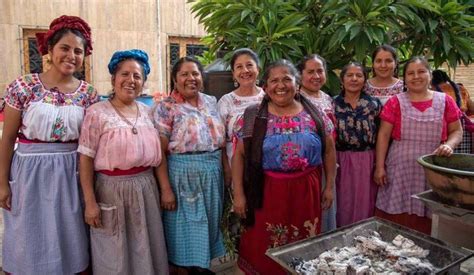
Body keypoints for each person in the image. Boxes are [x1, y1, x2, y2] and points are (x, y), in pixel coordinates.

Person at [0, 15, 97, 274]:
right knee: (29, 232)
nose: (71, 56)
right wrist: (2, 184)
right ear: (50, 50)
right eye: (64, 48)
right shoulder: (23, 86)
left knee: (69, 232)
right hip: (29, 173)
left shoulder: (89, 94)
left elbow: (91, 144)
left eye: (78, 51)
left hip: (71, 172)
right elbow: (8, 138)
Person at [232, 59, 336, 274]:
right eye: (274, 80)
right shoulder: (252, 116)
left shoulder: (315, 114)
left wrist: (329, 187)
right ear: (266, 87)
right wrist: (239, 195)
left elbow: (329, 151)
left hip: (306, 191)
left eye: (287, 79)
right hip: (266, 192)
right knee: (264, 242)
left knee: (303, 242)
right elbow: (239, 156)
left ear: (297, 85)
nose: (281, 85)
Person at [78, 49, 169, 274]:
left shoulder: (149, 112)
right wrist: (90, 202)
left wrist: (165, 189)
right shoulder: (97, 113)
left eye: (137, 76)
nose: (131, 81)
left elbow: (158, 157)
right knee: (113, 251)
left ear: (143, 82)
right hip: (110, 190)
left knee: (147, 247)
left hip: (146, 188)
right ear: (113, 79)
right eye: (125, 75)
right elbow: (85, 158)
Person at [152, 56, 226, 273]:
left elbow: (220, 142)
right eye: (184, 74)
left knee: (209, 226)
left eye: (195, 73)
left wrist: (227, 171)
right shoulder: (167, 107)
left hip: (212, 173)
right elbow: (160, 151)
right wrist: (165, 189)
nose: (190, 78)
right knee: (185, 230)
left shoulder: (211, 101)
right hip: (181, 176)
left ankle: (203, 269)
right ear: (175, 79)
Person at [374, 57, 463, 235]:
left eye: (421, 71)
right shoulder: (395, 102)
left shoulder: (445, 101)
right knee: (396, 221)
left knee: (430, 219)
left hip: (432, 171)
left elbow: (457, 131)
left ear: (430, 75)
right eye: (410, 73)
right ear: (404, 78)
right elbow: (383, 135)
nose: (416, 76)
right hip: (399, 170)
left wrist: (450, 145)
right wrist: (379, 167)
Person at [333, 62, 382, 227]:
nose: (354, 79)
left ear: (364, 80)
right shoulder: (332, 104)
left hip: (367, 160)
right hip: (339, 160)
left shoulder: (374, 105)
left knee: (364, 200)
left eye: (359, 75)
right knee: (342, 200)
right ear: (342, 79)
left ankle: (363, 235)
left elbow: (383, 134)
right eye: (349, 75)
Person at [297, 54, 337, 232]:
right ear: (300, 75)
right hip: (306, 168)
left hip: (327, 162)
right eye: (310, 71)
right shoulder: (295, 99)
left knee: (326, 209)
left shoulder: (328, 98)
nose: (316, 76)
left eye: (320, 71)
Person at [217, 48, 265, 173]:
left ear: (258, 70)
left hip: (265, 164)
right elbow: (219, 140)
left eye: (249, 65)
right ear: (233, 74)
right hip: (234, 166)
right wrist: (226, 169)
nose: (245, 70)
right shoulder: (226, 101)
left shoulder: (268, 98)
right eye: (239, 67)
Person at [431, 69, 474, 154]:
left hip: (445, 131)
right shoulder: (461, 88)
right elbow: (472, 108)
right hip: (464, 129)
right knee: (463, 160)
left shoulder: (433, 91)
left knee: (446, 158)